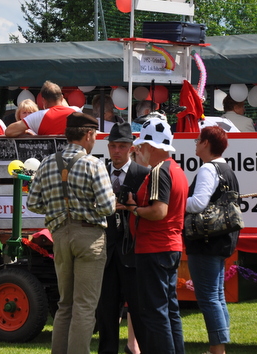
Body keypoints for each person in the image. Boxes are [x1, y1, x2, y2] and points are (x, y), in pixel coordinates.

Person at [27, 112, 115, 354]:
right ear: (88, 134)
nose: (94, 140)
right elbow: (107, 207)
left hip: (60, 235)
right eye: (94, 135)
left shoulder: (46, 163)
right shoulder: (94, 164)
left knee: (65, 304)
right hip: (89, 236)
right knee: (84, 306)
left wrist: (55, 209)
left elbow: (32, 203)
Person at [122, 118, 187, 354]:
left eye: (142, 145)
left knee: (156, 313)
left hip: (154, 247)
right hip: (168, 246)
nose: (140, 150)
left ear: (151, 146)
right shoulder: (175, 169)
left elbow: (159, 211)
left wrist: (133, 209)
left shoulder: (159, 171)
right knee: (169, 311)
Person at [185, 126, 240, 354]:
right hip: (221, 239)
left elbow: (198, 203)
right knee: (216, 296)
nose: (196, 144)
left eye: (198, 140)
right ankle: (218, 347)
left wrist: (176, 201)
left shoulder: (208, 168)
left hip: (205, 240)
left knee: (208, 297)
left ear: (206, 143)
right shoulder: (226, 169)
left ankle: (218, 350)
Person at [97, 122, 149, 354]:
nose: (116, 151)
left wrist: (132, 208)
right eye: (113, 146)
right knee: (106, 312)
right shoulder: (99, 173)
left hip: (134, 253)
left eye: (122, 146)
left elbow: (152, 212)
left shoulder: (143, 175)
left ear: (131, 148)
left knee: (139, 311)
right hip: (106, 253)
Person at [6, 81, 80, 137]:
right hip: (74, 151)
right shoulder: (76, 111)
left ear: (43, 100)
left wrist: (26, 132)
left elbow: (9, 131)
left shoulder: (38, 116)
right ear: (62, 98)